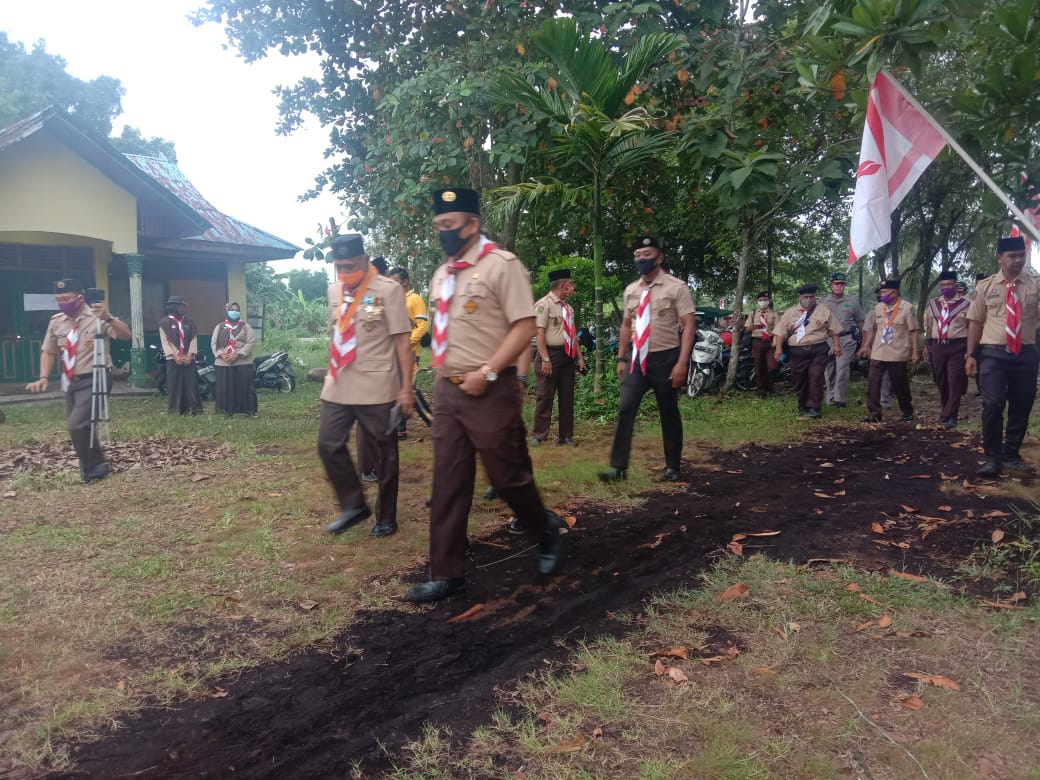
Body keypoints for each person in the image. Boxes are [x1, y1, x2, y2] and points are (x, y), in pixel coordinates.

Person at [407, 186, 564, 604]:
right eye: (438, 226)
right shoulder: (443, 274)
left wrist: (490, 370)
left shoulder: (502, 266)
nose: (443, 232)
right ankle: (447, 574)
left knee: (507, 475)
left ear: (472, 224)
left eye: (449, 225)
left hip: (490, 388)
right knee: (448, 480)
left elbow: (524, 326)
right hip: (448, 388)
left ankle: (544, 528)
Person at [318, 233, 414, 538]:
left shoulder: (388, 289)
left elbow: (402, 342)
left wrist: (406, 389)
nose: (344, 271)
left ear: (364, 259)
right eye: (339, 266)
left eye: (350, 265)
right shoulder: (334, 290)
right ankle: (354, 505)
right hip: (339, 380)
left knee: (384, 453)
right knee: (328, 443)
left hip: (377, 384)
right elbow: (337, 334)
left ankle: (387, 517)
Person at [599, 236, 696, 482]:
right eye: (638, 255)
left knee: (668, 411)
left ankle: (672, 466)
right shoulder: (631, 290)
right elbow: (626, 325)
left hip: (666, 358)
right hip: (636, 359)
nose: (641, 259)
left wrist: (682, 362)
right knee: (625, 407)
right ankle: (618, 468)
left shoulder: (676, 287)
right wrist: (621, 358)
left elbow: (688, 325)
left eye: (646, 254)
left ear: (659, 257)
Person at [25, 278, 132, 482]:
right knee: (81, 426)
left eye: (66, 298)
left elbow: (126, 335)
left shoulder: (98, 316)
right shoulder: (57, 321)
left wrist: (108, 318)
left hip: (96, 377)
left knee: (77, 425)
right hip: (70, 381)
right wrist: (43, 377)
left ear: (80, 297)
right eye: (58, 299)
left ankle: (94, 466)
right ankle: (94, 467)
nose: (62, 303)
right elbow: (48, 351)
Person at [966, 236, 1040, 476]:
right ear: (1000, 258)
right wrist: (970, 355)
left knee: (1021, 405)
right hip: (993, 355)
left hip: (1026, 354)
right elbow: (975, 323)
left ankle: (1011, 455)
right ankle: (992, 458)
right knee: (993, 404)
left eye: (1021, 255)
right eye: (1012, 256)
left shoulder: (1036, 285)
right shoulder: (985, 286)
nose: (1018, 260)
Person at [531, 268, 587, 446]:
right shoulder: (543, 304)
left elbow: (573, 335)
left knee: (567, 396)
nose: (572, 287)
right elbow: (539, 334)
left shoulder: (568, 307)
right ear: (563, 286)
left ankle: (566, 436)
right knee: (545, 396)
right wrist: (545, 359)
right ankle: (539, 435)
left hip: (567, 355)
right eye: (570, 284)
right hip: (549, 354)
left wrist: (580, 358)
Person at [773, 284, 841, 419]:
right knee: (799, 379)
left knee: (816, 377)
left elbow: (834, 329)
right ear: (800, 297)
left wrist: (837, 345)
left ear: (815, 297)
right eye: (806, 297)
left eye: (811, 297)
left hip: (818, 349)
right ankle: (802, 404)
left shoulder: (823, 310)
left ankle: (815, 407)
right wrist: (778, 349)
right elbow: (781, 332)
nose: (809, 299)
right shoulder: (790, 312)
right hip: (797, 352)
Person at [859, 279, 920, 423]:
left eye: (885, 292)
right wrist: (866, 345)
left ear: (894, 292)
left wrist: (915, 351)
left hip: (897, 352)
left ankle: (907, 411)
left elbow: (914, 331)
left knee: (900, 383)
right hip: (878, 351)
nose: (882, 295)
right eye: (881, 292)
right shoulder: (878, 307)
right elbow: (873, 329)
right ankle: (874, 413)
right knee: (873, 382)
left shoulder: (907, 308)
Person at [923, 271, 969, 428]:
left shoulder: (966, 303)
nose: (946, 287)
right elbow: (928, 327)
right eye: (942, 285)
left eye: (949, 284)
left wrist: (971, 351)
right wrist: (926, 346)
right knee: (941, 380)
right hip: (937, 345)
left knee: (954, 380)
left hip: (958, 346)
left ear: (955, 285)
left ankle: (952, 415)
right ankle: (945, 408)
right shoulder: (933, 304)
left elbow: (972, 327)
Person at [387, 265, 428, 439]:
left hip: (410, 352)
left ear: (405, 282)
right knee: (400, 387)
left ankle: (428, 419)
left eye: (395, 282)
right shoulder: (390, 300)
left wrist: (406, 343)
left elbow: (423, 326)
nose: (392, 285)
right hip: (392, 353)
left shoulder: (415, 299)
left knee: (408, 387)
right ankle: (402, 427)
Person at [821, 271, 865, 408]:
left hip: (846, 338)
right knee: (829, 369)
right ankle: (830, 397)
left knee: (842, 368)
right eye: (836, 284)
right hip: (827, 339)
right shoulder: (823, 301)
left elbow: (861, 322)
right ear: (831, 285)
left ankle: (839, 399)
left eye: (841, 284)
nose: (839, 286)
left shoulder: (852, 301)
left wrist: (864, 342)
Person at [211, 302, 257, 417]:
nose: (235, 312)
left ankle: (248, 410)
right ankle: (226, 411)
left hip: (242, 361)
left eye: (237, 310)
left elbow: (250, 342)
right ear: (227, 311)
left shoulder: (246, 326)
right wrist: (222, 355)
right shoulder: (220, 327)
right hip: (224, 362)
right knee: (225, 387)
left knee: (244, 386)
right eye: (232, 309)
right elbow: (214, 343)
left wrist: (238, 354)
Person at [159, 295, 201, 415]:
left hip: (189, 358)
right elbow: (165, 341)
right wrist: (175, 355)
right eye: (181, 306)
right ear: (174, 307)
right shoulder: (164, 323)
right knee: (175, 384)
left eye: (183, 306)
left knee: (191, 383)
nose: (183, 309)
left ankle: (193, 409)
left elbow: (193, 339)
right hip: (173, 359)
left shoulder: (189, 321)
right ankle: (175, 409)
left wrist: (189, 355)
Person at [743, 290, 778, 398]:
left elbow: (778, 330)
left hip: (770, 342)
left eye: (765, 300)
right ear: (757, 301)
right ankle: (761, 391)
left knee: (772, 367)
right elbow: (747, 329)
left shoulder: (774, 314)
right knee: (759, 367)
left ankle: (769, 386)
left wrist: (776, 342)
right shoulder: (753, 313)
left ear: (769, 301)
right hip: (757, 342)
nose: (763, 302)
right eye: (761, 300)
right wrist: (755, 326)